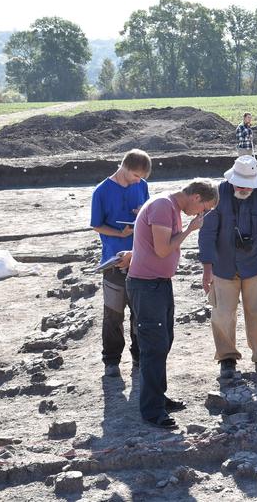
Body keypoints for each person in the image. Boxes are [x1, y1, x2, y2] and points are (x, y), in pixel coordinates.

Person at [126, 179, 219, 429]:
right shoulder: (162, 207)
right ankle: (152, 411)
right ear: (196, 197)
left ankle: (158, 397)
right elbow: (163, 250)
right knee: (153, 347)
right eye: (204, 208)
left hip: (158, 284)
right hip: (147, 286)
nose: (202, 214)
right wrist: (190, 230)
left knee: (163, 341)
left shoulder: (170, 208)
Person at [198, 155, 257, 379]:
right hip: (223, 267)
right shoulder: (218, 195)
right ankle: (227, 358)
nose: (243, 188)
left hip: (255, 266)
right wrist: (207, 268)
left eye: (248, 185)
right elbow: (207, 232)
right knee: (222, 314)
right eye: (239, 183)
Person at [90, 149, 151, 378]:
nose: (138, 181)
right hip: (113, 262)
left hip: (140, 259)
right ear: (124, 167)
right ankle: (111, 361)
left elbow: (149, 215)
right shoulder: (102, 191)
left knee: (140, 313)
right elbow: (96, 225)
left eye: (141, 177)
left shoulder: (141, 186)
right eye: (135, 175)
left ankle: (139, 357)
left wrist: (141, 217)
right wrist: (119, 233)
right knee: (113, 314)